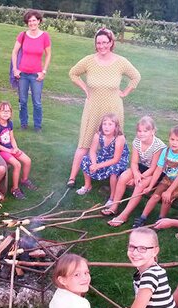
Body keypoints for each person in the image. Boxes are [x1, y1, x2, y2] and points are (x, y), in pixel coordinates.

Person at [67, 28, 141, 188]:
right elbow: (73, 73)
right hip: (93, 108)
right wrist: (85, 88)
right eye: (99, 43)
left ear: (111, 43)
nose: (102, 46)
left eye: (105, 42)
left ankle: (114, 177)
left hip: (113, 109)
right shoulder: (88, 61)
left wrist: (125, 92)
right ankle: (72, 178)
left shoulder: (120, 62)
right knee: (85, 143)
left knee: (113, 144)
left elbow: (136, 76)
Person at [105, 116, 166, 227]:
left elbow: (153, 168)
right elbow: (134, 163)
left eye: (145, 131)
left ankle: (124, 215)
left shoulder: (158, 146)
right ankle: (114, 206)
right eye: (139, 131)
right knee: (123, 177)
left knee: (139, 184)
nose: (141, 133)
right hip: (141, 167)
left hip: (156, 171)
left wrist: (137, 178)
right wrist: (136, 174)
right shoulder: (137, 142)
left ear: (153, 131)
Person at [132, 125, 178, 228]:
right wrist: (150, 186)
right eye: (172, 139)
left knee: (167, 197)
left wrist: (169, 191)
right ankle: (143, 217)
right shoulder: (166, 151)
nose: (174, 142)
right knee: (155, 195)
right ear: (169, 138)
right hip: (168, 179)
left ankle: (161, 220)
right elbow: (158, 170)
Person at [11, 9, 51, 133]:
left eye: (34, 20)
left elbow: (48, 54)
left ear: (39, 21)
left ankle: (37, 126)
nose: (32, 23)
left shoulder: (45, 36)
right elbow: (14, 52)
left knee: (37, 102)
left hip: (36, 75)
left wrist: (43, 71)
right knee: (22, 101)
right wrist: (15, 69)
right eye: (29, 21)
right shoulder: (22, 35)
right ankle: (24, 124)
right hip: (22, 74)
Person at [76, 113, 129, 201]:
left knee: (114, 169)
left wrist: (97, 166)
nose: (106, 127)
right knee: (85, 159)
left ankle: (112, 197)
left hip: (119, 160)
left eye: (110, 124)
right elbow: (92, 151)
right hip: (105, 155)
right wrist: (94, 163)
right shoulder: (98, 134)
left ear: (116, 127)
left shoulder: (120, 138)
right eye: (104, 124)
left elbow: (116, 159)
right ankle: (87, 186)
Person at [0, 101, 37, 200]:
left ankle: (24, 180)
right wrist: (10, 151)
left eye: (8, 111)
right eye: (3, 111)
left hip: (11, 148)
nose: (6, 113)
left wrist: (15, 148)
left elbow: (12, 138)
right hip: (1, 151)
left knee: (27, 160)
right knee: (17, 165)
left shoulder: (10, 123)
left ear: (11, 113)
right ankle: (15, 188)